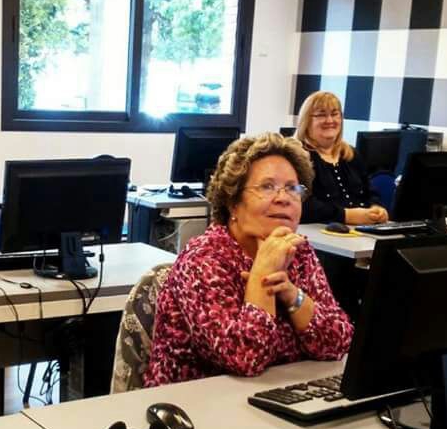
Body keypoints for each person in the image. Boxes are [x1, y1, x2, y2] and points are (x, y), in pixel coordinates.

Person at [144, 132, 353, 387]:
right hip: (195, 402)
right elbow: (245, 358)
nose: (283, 198)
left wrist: (292, 295)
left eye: (292, 188)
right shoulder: (203, 259)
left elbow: (339, 341)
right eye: (267, 187)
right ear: (233, 203)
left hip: (281, 394)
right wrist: (262, 274)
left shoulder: (299, 252)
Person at [294, 91, 387, 225]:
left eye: (334, 114)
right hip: (319, 231)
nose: (330, 120)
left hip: (361, 229)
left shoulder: (351, 154)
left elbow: (369, 192)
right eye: (321, 115)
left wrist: (376, 207)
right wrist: (345, 215)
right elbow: (299, 203)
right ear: (306, 121)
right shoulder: (298, 156)